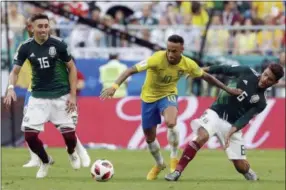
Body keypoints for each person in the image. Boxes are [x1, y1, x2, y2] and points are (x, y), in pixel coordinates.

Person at [100, 34, 241, 180]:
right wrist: (114, 86)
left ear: (181, 49)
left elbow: (206, 77)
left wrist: (227, 89)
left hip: (168, 95)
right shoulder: (156, 58)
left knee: (171, 122)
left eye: (174, 51)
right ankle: (159, 164)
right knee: (149, 137)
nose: (170, 54)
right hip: (148, 98)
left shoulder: (188, 64)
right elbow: (130, 70)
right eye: (168, 50)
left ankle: (174, 157)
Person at [4, 13, 90, 178]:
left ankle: (72, 152)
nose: (44, 29)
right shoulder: (25, 47)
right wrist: (10, 88)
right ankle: (44, 161)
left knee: (70, 137)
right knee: (30, 136)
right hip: (38, 96)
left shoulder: (59, 44)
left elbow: (72, 68)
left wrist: (72, 96)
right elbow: (15, 71)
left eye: (46, 26)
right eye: (40, 26)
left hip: (61, 96)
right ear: (33, 28)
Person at [165, 63, 284, 181]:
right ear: (264, 71)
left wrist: (230, 133)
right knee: (202, 136)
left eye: (270, 79)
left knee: (240, 167)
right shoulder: (247, 71)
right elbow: (223, 68)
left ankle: (248, 171)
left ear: (275, 83)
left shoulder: (262, 102)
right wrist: (199, 70)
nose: (264, 79)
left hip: (231, 125)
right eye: (265, 74)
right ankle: (177, 171)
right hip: (215, 113)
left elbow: (244, 119)